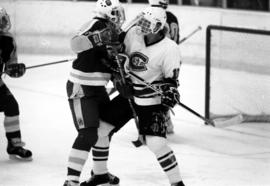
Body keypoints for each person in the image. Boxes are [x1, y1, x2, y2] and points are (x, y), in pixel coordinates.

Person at [63, 0, 126, 185]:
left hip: (98, 88)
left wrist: (117, 75)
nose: (120, 15)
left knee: (104, 130)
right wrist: (96, 38)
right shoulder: (95, 24)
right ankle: (71, 180)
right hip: (81, 87)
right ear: (107, 11)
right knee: (89, 133)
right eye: (116, 11)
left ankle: (100, 174)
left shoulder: (114, 30)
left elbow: (109, 60)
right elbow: (75, 44)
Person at [122, 7, 185, 186]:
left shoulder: (170, 48)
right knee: (101, 129)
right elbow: (118, 51)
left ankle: (177, 183)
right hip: (128, 95)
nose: (141, 27)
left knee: (156, 144)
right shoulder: (133, 34)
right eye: (141, 22)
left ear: (158, 27)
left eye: (147, 24)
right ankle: (100, 173)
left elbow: (170, 81)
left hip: (150, 100)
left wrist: (170, 91)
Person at [0, 7, 32, 161]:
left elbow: (10, 64)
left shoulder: (7, 40)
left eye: (3, 19)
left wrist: (13, 69)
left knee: (11, 106)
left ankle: (14, 144)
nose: (3, 22)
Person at [149, 0, 181, 134]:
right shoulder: (172, 16)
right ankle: (165, 121)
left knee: (151, 92)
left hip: (157, 60)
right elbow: (175, 40)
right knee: (166, 90)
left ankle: (154, 123)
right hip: (173, 60)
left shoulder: (151, 15)